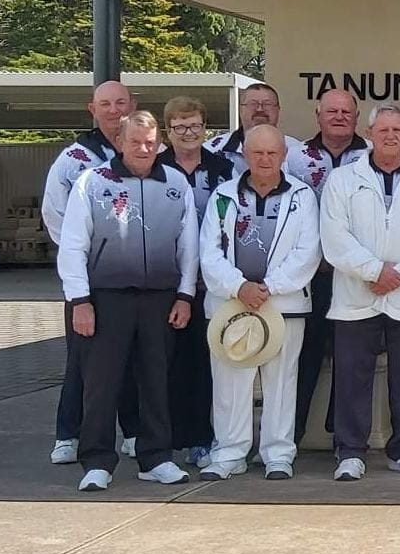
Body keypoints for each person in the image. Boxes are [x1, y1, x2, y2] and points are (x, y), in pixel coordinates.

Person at [57, 111, 198, 491]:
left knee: (157, 382)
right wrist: (80, 300)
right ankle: (98, 461)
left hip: (160, 300)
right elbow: (72, 245)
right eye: (135, 141)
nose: (143, 149)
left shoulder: (176, 183)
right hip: (105, 300)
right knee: (101, 384)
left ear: (159, 144)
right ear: (120, 142)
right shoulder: (92, 182)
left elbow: (189, 248)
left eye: (150, 143)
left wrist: (185, 295)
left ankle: (156, 458)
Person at [319, 102, 400, 481]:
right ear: (370, 134)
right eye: (383, 131)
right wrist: (374, 270)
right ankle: (350, 451)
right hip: (356, 297)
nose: (390, 136)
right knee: (352, 377)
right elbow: (335, 237)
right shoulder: (343, 180)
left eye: (396, 130)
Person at [197, 124, 320, 481]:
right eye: (257, 153)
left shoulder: (303, 196)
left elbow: (307, 252)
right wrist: (240, 288)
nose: (264, 160)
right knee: (230, 381)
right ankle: (229, 453)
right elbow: (210, 252)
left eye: (271, 153)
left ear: (283, 155)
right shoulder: (223, 195)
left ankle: (278, 454)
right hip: (232, 306)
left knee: (282, 382)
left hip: (284, 305)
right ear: (245, 156)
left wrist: (267, 287)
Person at [43, 80, 135, 465]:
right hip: (89, 279)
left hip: (137, 277)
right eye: (105, 104)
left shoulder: (148, 152)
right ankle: (69, 433)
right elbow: (55, 215)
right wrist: (88, 261)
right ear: (92, 109)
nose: (113, 110)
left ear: (132, 105)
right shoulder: (74, 159)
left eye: (120, 102)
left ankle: (133, 430)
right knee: (84, 359)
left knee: (134, 356)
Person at [155, 96, 236, 468]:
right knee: (166, 364)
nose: (189, 133)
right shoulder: (153, 169)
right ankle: (164, 437)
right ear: (167, 130)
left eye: (196, 126)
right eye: (180, 127)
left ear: (206, 128)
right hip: (165, 282)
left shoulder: (224, 169)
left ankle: (203, 438)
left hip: (212, 283)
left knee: (205, 365)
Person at [283, 88, 367, 443]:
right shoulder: (295, 157)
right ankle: (290, 436)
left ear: (356, 117)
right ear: (317, 114)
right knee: (304, 359)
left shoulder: (371, 156)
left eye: (346, 112)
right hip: (309, 276)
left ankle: (343, 437)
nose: (338, 117)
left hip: (354, 277)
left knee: (352, 360)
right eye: (331, 111)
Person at [207, 83, 302, 176]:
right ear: (240, 109)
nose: (260, 109)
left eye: (267, 104)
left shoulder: (296, 150)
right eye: (252, 104)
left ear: (278, 109)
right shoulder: (212, 151)